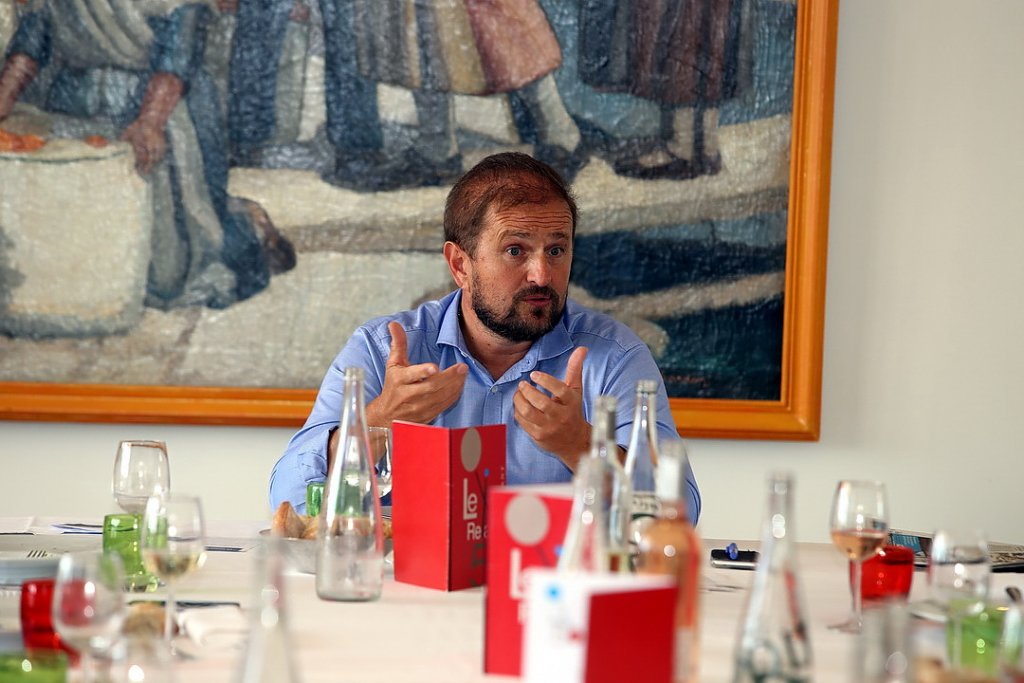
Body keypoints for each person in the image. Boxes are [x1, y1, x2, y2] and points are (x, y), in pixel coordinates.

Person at [269, 152, 700, 521]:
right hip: (410, 600)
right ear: (460, 264)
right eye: (516, 250)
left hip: (549, 600)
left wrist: (582, 447)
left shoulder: (614, 357)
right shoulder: (382, 349)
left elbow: (678, 512)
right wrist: (377, 424)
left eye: (557, 249)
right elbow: (288, 498)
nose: (542, 275)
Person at [0, 2, 295, 309]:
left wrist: (150, 122)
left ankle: (246, 221)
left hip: (162, 107)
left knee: (165, 274)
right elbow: (30, 43)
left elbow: (177, 55)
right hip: (73, 104)